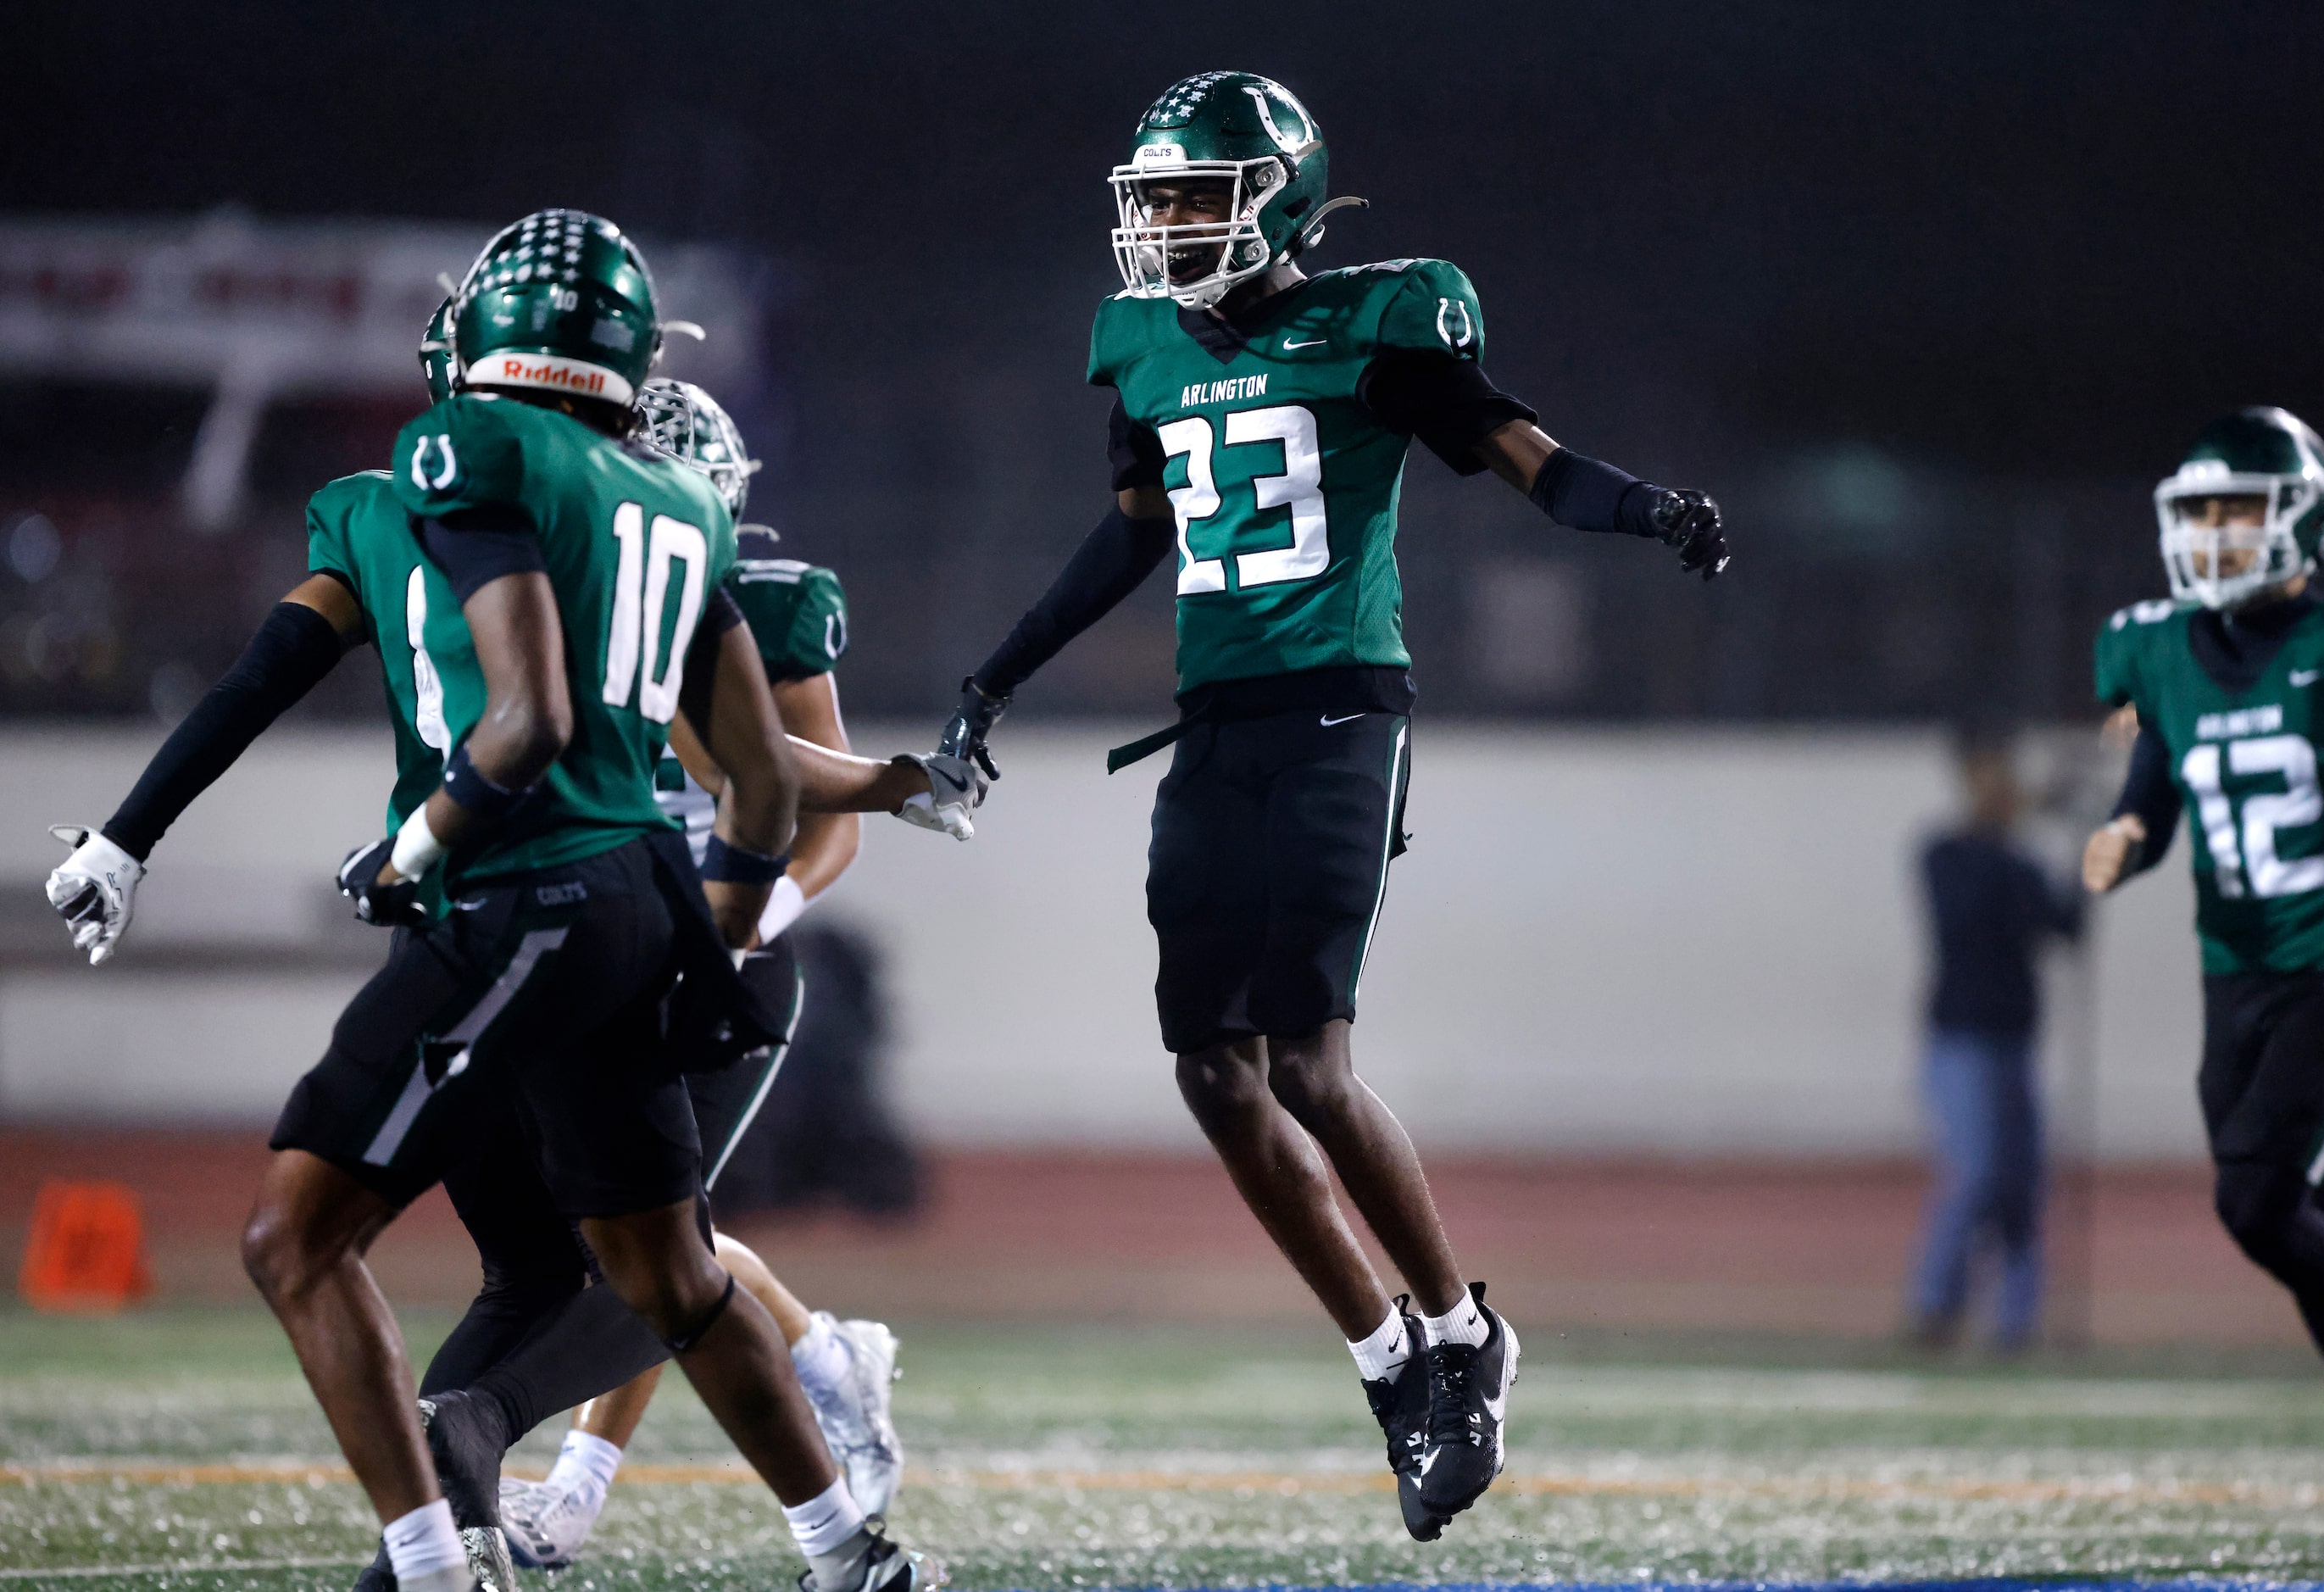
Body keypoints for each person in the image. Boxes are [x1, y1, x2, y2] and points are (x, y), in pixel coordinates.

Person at [44, 211, 966, 1592]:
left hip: (509, 892)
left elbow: (513, 722)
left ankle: (428, 1566)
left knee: (296, 1233)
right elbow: (763, 785)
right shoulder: (672, 499)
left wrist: (409, 842)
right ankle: (849, 1553)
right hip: (636, 911)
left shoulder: (460, 457)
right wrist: (727, 912)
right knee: (666, 1267)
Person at [934, 72, 1731, 1542]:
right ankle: (1387, 1366)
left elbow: (1528, 464)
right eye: (1153, 198)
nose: (1166, 227)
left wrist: (1648, 508)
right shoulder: (1144, 348)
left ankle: (1460, 1331)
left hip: (1340, 712)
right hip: (1214, 725)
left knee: (1306, 1062)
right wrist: (991, 679)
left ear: (1279, 197)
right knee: (1208, 1071)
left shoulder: (1383, 320)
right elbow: (1128, 542)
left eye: (1194, 196)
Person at [492, 378, 904, 1570]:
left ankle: (576, 1489)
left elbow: (828, 812)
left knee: (642, 1236)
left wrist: (748, 917)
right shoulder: (561, 604)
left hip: (719, 952)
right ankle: (827, 1355)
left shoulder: (771, 610)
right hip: (605, 939)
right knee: (645, 1230)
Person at [2082, 406, 2324, 1559]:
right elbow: (2158, 770)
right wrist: (2125, 827)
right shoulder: (2151, 645)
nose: (2213, 533)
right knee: (2304, 1216)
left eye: (2238, 509)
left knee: (2254, 1197)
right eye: (2198, 509)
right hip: (2237, 969)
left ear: (2301, 516)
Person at [1907, 730, 2082, 1351]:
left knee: (2022, 1185)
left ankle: (2017, 1320)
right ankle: (1935, 1307)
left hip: (2015, 1038)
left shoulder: (2021, 862)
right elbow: (1968, 914)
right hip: (1961, 1037)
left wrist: (2084, 843)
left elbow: (2067, 928)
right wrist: (2023, 833)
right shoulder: (1946, 853)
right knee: (1976, 1172)